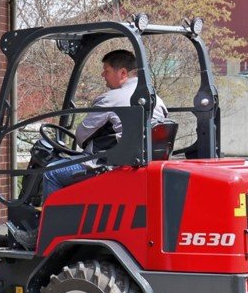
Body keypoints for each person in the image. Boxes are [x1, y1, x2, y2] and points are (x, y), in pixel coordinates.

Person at [41, 49, 167, 199]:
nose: (103, 75)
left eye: (106, 71)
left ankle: (54, 222)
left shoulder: (110, 99)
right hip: (142, 163)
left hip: (110, 166)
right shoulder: (157, 100)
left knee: (51, 172)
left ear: (122, 73)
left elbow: (81, 137)